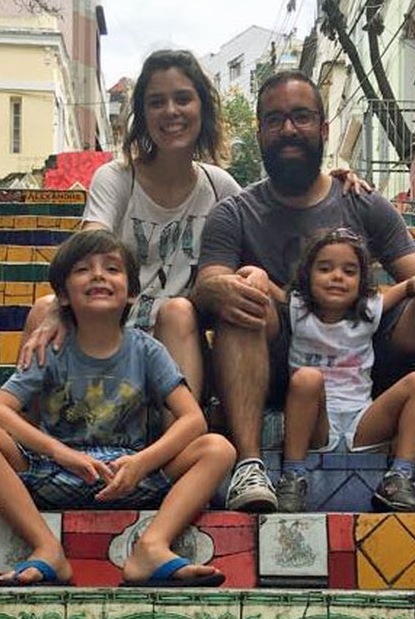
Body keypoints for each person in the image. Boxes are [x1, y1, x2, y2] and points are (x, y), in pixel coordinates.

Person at [193, 69, 415, 516]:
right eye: (275, 119)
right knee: (240, 301)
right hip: (277, 366)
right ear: (260, 131)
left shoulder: (362, 201)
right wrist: (235, 285)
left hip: (364, 363)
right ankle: (250, 466)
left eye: (301, 116)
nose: (289, 129)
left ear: (324, 129)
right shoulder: (234, 213)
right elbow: (207, 285)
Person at [20, 49, 367, 403]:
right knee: (43, 309)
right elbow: (88, 250)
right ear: (143, 114)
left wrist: (332, 179)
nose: (171, 111)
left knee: (178, 311)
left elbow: (275, 207)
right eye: (157, 102)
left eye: (183, 99)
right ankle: (28, 429)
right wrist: (60, 308)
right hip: (112, 330)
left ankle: (183, 433)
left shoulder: (220, 187)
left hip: (182, 341)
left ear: (202, 109)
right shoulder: (116, 178)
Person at [0, 228, 236, 587]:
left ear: (132, 292)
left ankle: (152, 547)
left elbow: (193, 419)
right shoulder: (50, 348)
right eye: (83, 269)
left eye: (112, 268)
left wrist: (143, 462)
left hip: (129, 474)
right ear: (62, 295)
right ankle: (47, 549)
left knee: (218, 448)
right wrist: (59, 452)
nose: (99, 275)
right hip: (54, 471)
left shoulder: (147, 350)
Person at [265, 227, 415, 513]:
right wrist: (254, 274)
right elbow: (265, 286)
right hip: (315, 423)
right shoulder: (297, 307)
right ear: (308, 275)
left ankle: (399, 478)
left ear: (361, 280)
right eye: (325, 269)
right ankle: (293, 475)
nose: (337, 277)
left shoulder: (369, 310)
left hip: (362, 421)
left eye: (349, 271)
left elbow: (408, 286)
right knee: (307, 378)